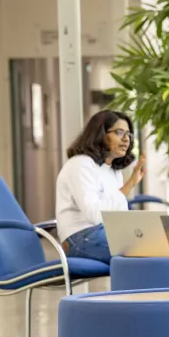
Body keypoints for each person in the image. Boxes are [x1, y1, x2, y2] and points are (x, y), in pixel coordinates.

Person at [56, 110, 146, 264]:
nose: (126, 139)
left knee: (153, 241)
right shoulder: (80, 164)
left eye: (129, 135)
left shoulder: (113, 172)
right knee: (145, 248)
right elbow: (95, 216)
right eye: (119, 132)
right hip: (78, 238)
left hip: (104, 233)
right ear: (100, 134)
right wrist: (129, 184)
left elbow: (118, 216)